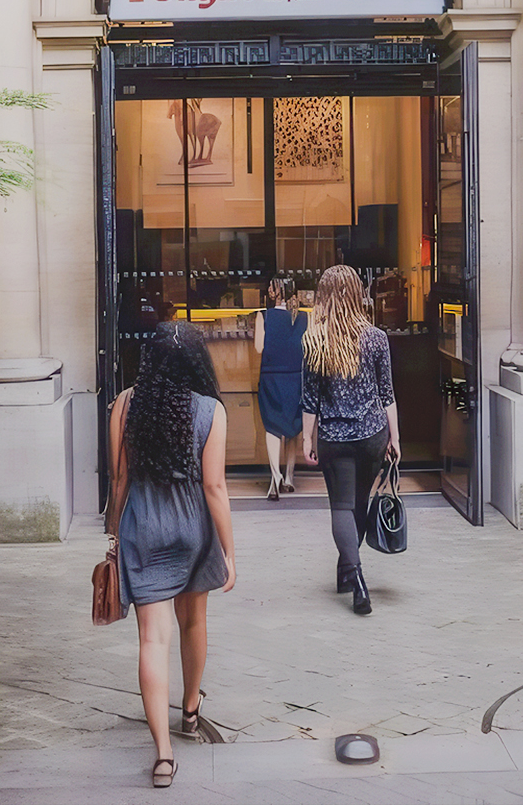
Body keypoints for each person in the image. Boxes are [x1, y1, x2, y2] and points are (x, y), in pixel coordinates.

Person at [107, 321, 237, 788]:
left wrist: (113, 532)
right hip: (192, 530)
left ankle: (162, 755)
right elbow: (215, 487)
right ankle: (189, 710)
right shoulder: (211, 411)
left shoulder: (124, 406)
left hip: (144, 527)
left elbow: (119, 481)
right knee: (194, 621)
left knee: (151, 640)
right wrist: (229, 550)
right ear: (195, 362)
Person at [300, 265, 399, 615]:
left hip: (334, 437)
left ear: (323, 297)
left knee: (342, 506)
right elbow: (387, 393)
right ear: (357, 294)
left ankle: (353, 576)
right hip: (373, 434)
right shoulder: (376, 338)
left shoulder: (314, 340)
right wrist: (395, 437)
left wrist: (306, 437)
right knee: (359, 502)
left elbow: (310, 398)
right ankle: (348, 570)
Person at [253, 277, 308, 500]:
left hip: (271, 376)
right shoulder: (303, 317)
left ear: (277, 292)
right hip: (295, 377)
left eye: (271, 286)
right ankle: (289, 477)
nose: (267, 289)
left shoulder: (263, 315)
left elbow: (258, 348)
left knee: (272, 426)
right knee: (293, 427)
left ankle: (275, 475)